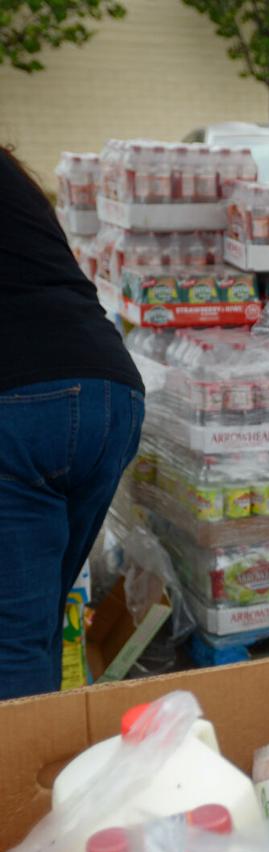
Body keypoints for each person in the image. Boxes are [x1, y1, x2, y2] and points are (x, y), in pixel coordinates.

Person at [0, 145, 144, 699]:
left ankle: (21, 779)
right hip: (111, 390)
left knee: (12, 639)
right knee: (38, 617)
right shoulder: (15, 188)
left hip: (22, 408)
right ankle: (46, 766)